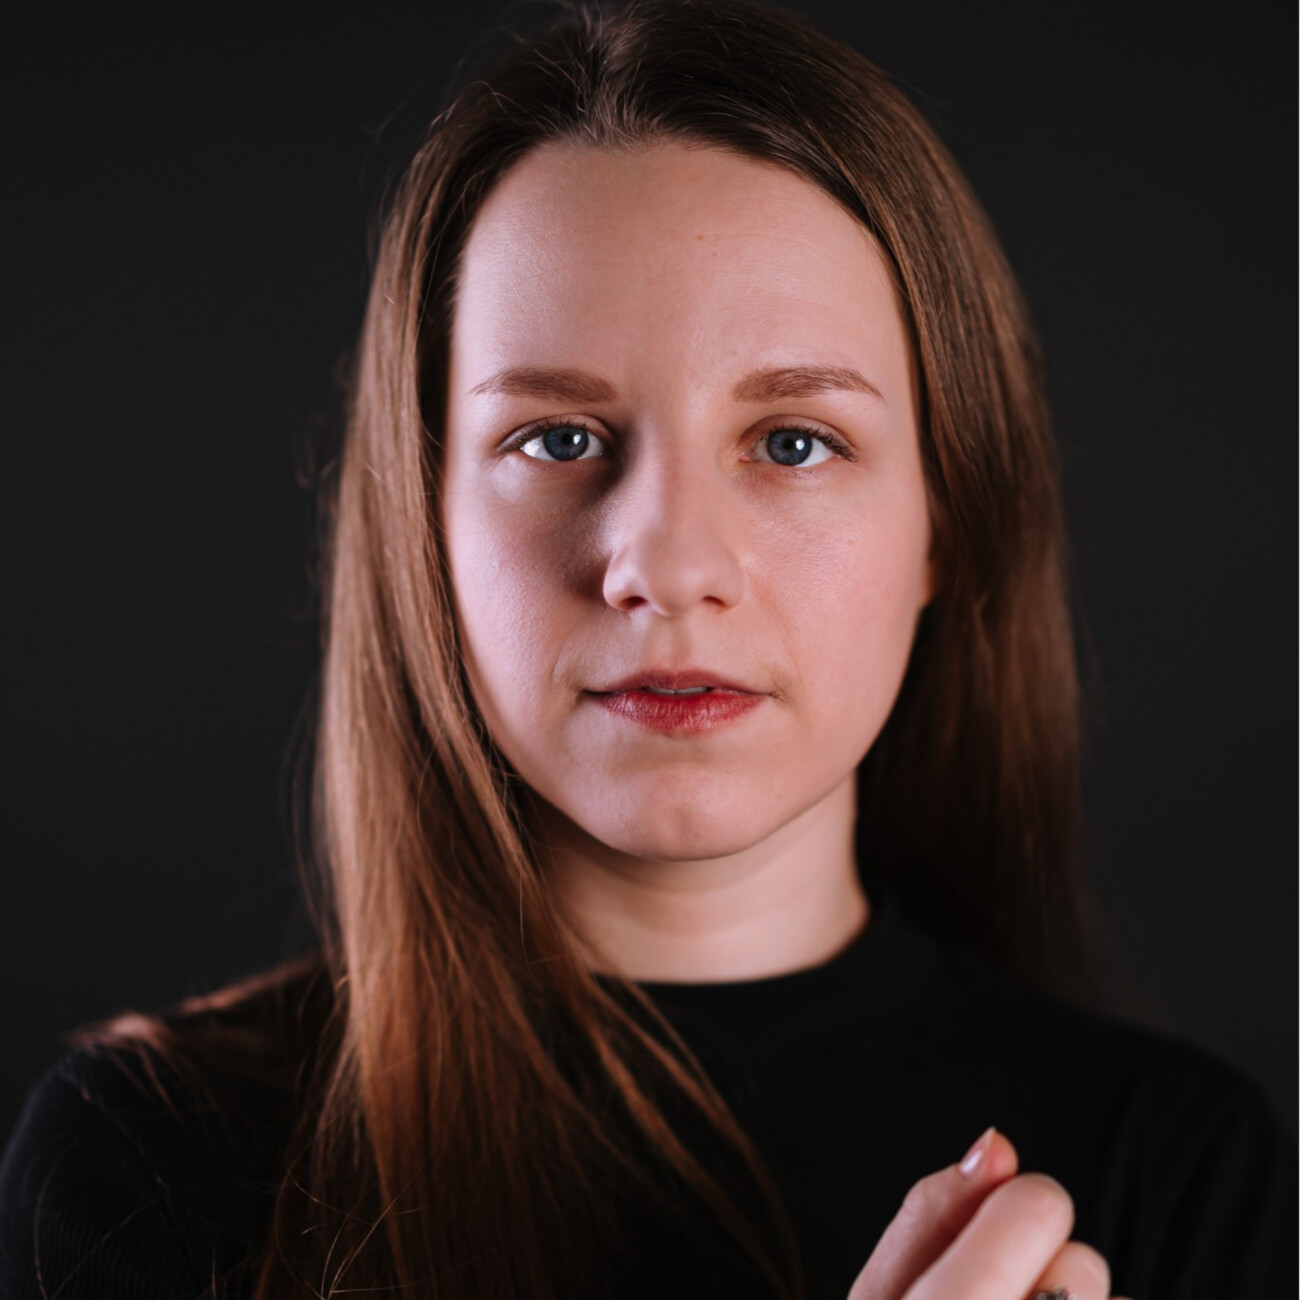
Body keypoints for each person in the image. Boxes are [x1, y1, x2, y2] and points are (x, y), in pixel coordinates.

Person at [0, 1, 1293, 1297]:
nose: (667, 568)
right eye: (558, 440)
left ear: (943, 523)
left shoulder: (1184, 1185)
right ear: (421, 523)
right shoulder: (148, 1170)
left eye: (794, 442)